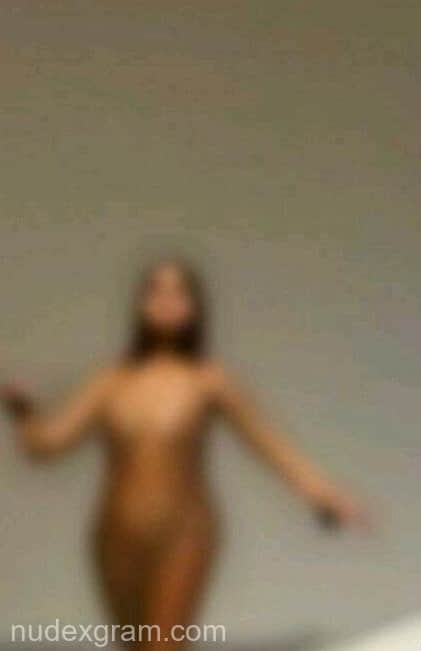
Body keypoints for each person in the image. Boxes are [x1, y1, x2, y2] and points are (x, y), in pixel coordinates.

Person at [2, 259, 369, 648]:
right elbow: (48, 445)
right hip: (116, 536)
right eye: (156, 291)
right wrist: (23, 412)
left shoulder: (207, 380)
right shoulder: (111, 381)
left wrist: (325, 495)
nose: (166, 300)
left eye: (178, 292)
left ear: (195, 306)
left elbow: (271, 446)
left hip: (184, 536)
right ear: (140, 303)